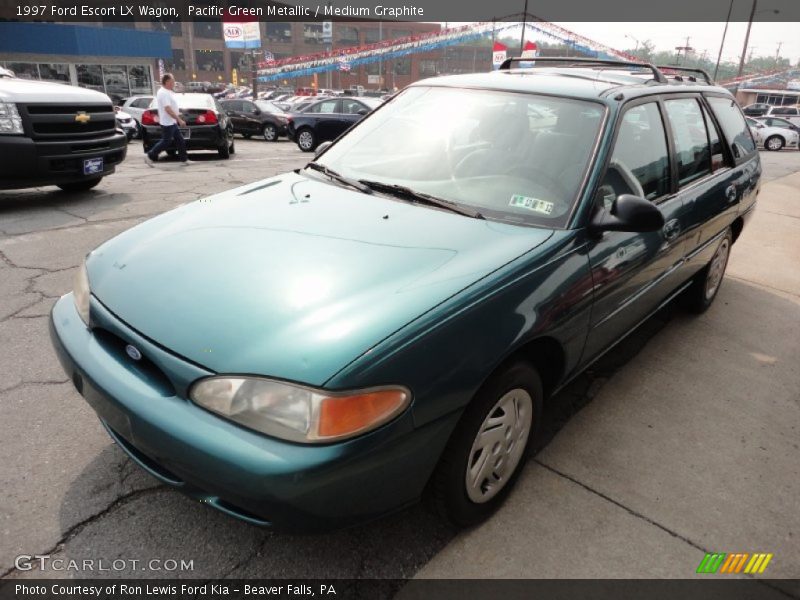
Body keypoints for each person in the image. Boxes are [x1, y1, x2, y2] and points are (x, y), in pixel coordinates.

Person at [144, 73, 189, 167]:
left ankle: (184, 159)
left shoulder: (168, 91)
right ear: (167, 81)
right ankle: (149, 155)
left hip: (171, 121)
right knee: (166, 142)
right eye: (172, 81)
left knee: (180, 140)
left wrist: (178, 114)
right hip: (167, 123)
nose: (174, 83)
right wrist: (179, 120)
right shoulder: (163, 93)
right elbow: (167, 109)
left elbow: (171, 106)